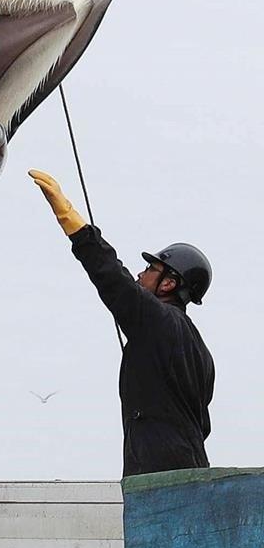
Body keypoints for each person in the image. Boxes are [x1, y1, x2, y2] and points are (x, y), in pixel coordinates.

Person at [29, 169, 215, 477]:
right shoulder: (201, 355)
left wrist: (75, 226)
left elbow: (115, 281)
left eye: (150, 268)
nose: (142, 274)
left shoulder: (159, 322)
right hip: (192, 472)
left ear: (169, 284)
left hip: (159, 477)